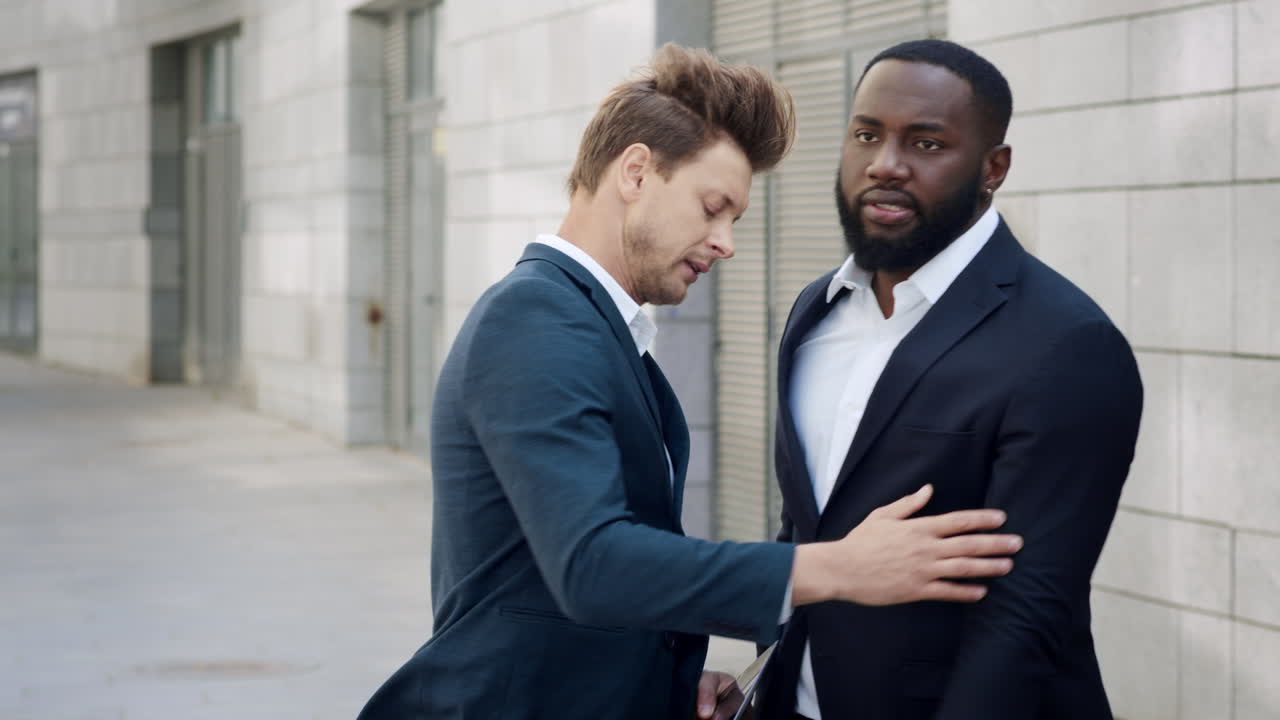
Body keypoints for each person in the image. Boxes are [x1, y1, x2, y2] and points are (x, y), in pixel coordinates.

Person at [356, 43, 1022, 720]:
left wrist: (670, 677)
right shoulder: (534, 319)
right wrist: (841, 568)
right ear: (637, 172)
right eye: (712, 208)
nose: (725, 241)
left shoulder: (598, 329)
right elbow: (593, 564)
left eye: (732, 219)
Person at [754, 39, 1144, 720]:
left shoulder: (1068, 344)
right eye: (866, 134)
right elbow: (804, 531)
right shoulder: (812, 313)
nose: (884, 165)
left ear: (993, 168)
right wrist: (764, 674)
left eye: (926, 144)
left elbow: (1027, 615)